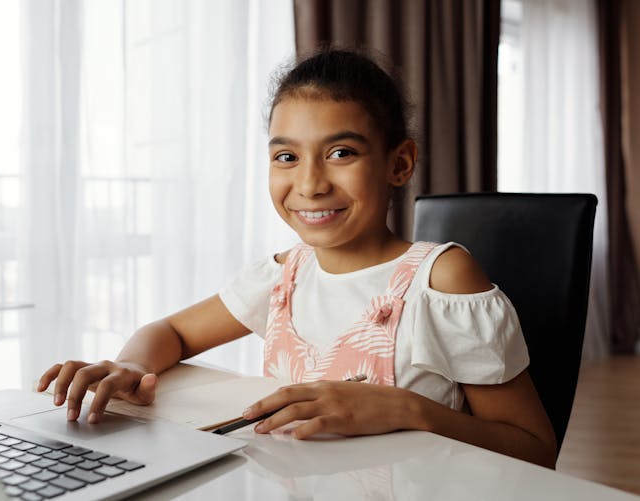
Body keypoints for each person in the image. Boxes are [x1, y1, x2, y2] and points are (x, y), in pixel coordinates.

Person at [37, 48, 558, 469]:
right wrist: (131, 365)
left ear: (399, 163)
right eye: (286, 157)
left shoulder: (441, 280)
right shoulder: (285, 273)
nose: (309, 183)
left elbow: (536, 450)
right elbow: (171, 332)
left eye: (341, 153)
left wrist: (408, 410)